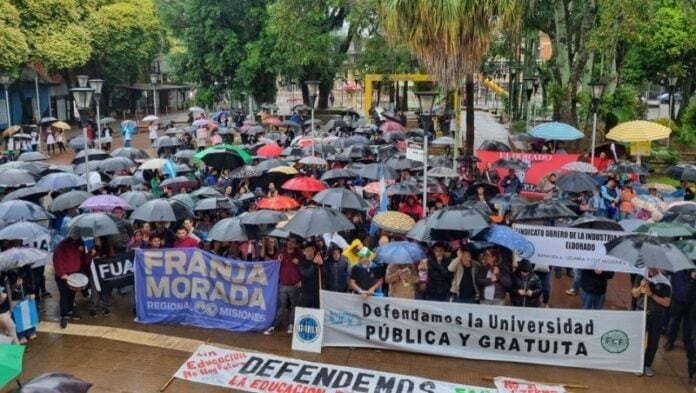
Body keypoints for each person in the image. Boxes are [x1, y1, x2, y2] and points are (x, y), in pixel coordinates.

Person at [632, 267, 672, 377]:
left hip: (657, 315)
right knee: (639, 340)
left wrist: (651, 294)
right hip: (641, 312)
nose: (651, 268)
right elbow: (634, 294)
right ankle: (638, 364)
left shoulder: (664, 282)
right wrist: (641, 287)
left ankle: (647, 365)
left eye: (654, 266)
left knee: (653, 342)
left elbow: (666, 303)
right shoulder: (641, 276)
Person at [265, 237, 302, 335]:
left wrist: (302, 280)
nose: (290, 243)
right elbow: (273, 264)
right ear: (287, 242)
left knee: (294, 305)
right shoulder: (281, 252)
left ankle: (292, 324)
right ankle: (276, 324)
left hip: (295, 285)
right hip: (282, 284)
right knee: (281, 306)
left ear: (296, 244)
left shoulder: (300, 254)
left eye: (293, 241)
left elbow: (304, 267)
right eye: (289, 241)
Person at [53, 235, 87, 329]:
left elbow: (83, 257)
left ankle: (70, 310)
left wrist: (82, 270)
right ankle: (64, 314)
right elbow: (57, 259)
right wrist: (62, 273)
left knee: (72, 293)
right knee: (64, 294)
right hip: (63, 275)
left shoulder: (81, 242)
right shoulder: (62, 244)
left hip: (75, 273)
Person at [664, 269, 696, 351]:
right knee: (673, 321)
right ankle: (670, 341)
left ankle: (687, 343)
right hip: (677, 298)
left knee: (688, 324)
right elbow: (666, 271)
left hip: (692, 300)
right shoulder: (677, 264)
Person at [297, 241, 323, 309]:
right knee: (305, 313)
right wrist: (314, 263)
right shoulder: (301, 262)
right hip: (305, 293)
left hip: (317, 293)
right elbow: (307, 274)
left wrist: (321, 265)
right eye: (307, 251)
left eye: (311, 250)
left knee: (317, 313)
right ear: (304, 252)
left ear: (314, 251)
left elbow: (325, 275)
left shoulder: (318, 260)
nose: (309, 253)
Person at [0, 275, 19, 343]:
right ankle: (17, 351)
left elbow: (9, 291)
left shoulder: (4, 276)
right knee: (11, 328)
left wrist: (16, 285)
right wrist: (2, 298)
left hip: (5, 309)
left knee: (2, 333)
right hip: (2, 312)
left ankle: (5, 352)